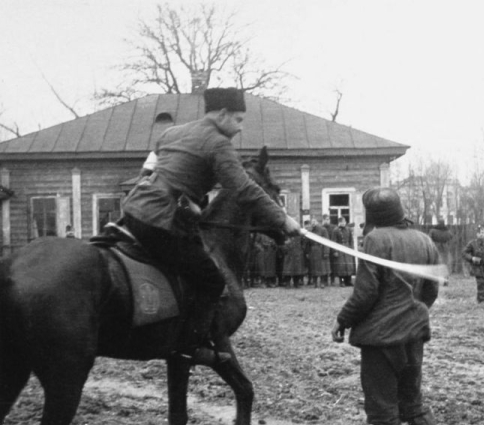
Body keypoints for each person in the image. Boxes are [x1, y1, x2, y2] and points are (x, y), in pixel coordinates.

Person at [121, 87, 301, 366]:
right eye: (238, 120)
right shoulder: (218, 144)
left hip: (132, 211)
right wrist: (282, 219)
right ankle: (189, 346)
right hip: (160, 220)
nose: (240, 128)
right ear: (222, 114)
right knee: (212, 279)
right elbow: (243, 189)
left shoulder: (170, 133)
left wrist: (187, 201)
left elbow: (147, 173)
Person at [332, 187, 440, 425]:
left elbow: (365, 294)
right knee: (414, 406)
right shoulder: (425, 240)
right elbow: (431, 292)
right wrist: (411, 314)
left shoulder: (375, 240)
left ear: (374, 216)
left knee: (384, 415)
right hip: (413, 337)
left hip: (381, 341)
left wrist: (342, 320)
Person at [305, 217, 330, 288]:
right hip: (312, 251)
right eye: (312, 222)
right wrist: (307, 252)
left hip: (320, 250)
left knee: (322, 268)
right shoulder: (309, 231)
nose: (313, 223)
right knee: (313, 267)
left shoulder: (323, 230)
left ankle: (322, 282)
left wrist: (326, 252)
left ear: (317, 222)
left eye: (314, 221)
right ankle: (315, 283)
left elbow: (326, 241)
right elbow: (307, 243)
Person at [332, 216, 354, 286]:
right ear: (339, 222)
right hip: (340, 249)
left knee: (349, 266)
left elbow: (351, 241)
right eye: (342, 222)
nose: (343, 223)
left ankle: (349, 281)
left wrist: (351, 249)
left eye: (344, 222)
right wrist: (335, 251)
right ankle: (342, 281)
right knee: (341, 267)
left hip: (347, 249)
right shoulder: (335, 230)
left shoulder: (348, 230)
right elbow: (333, 242)